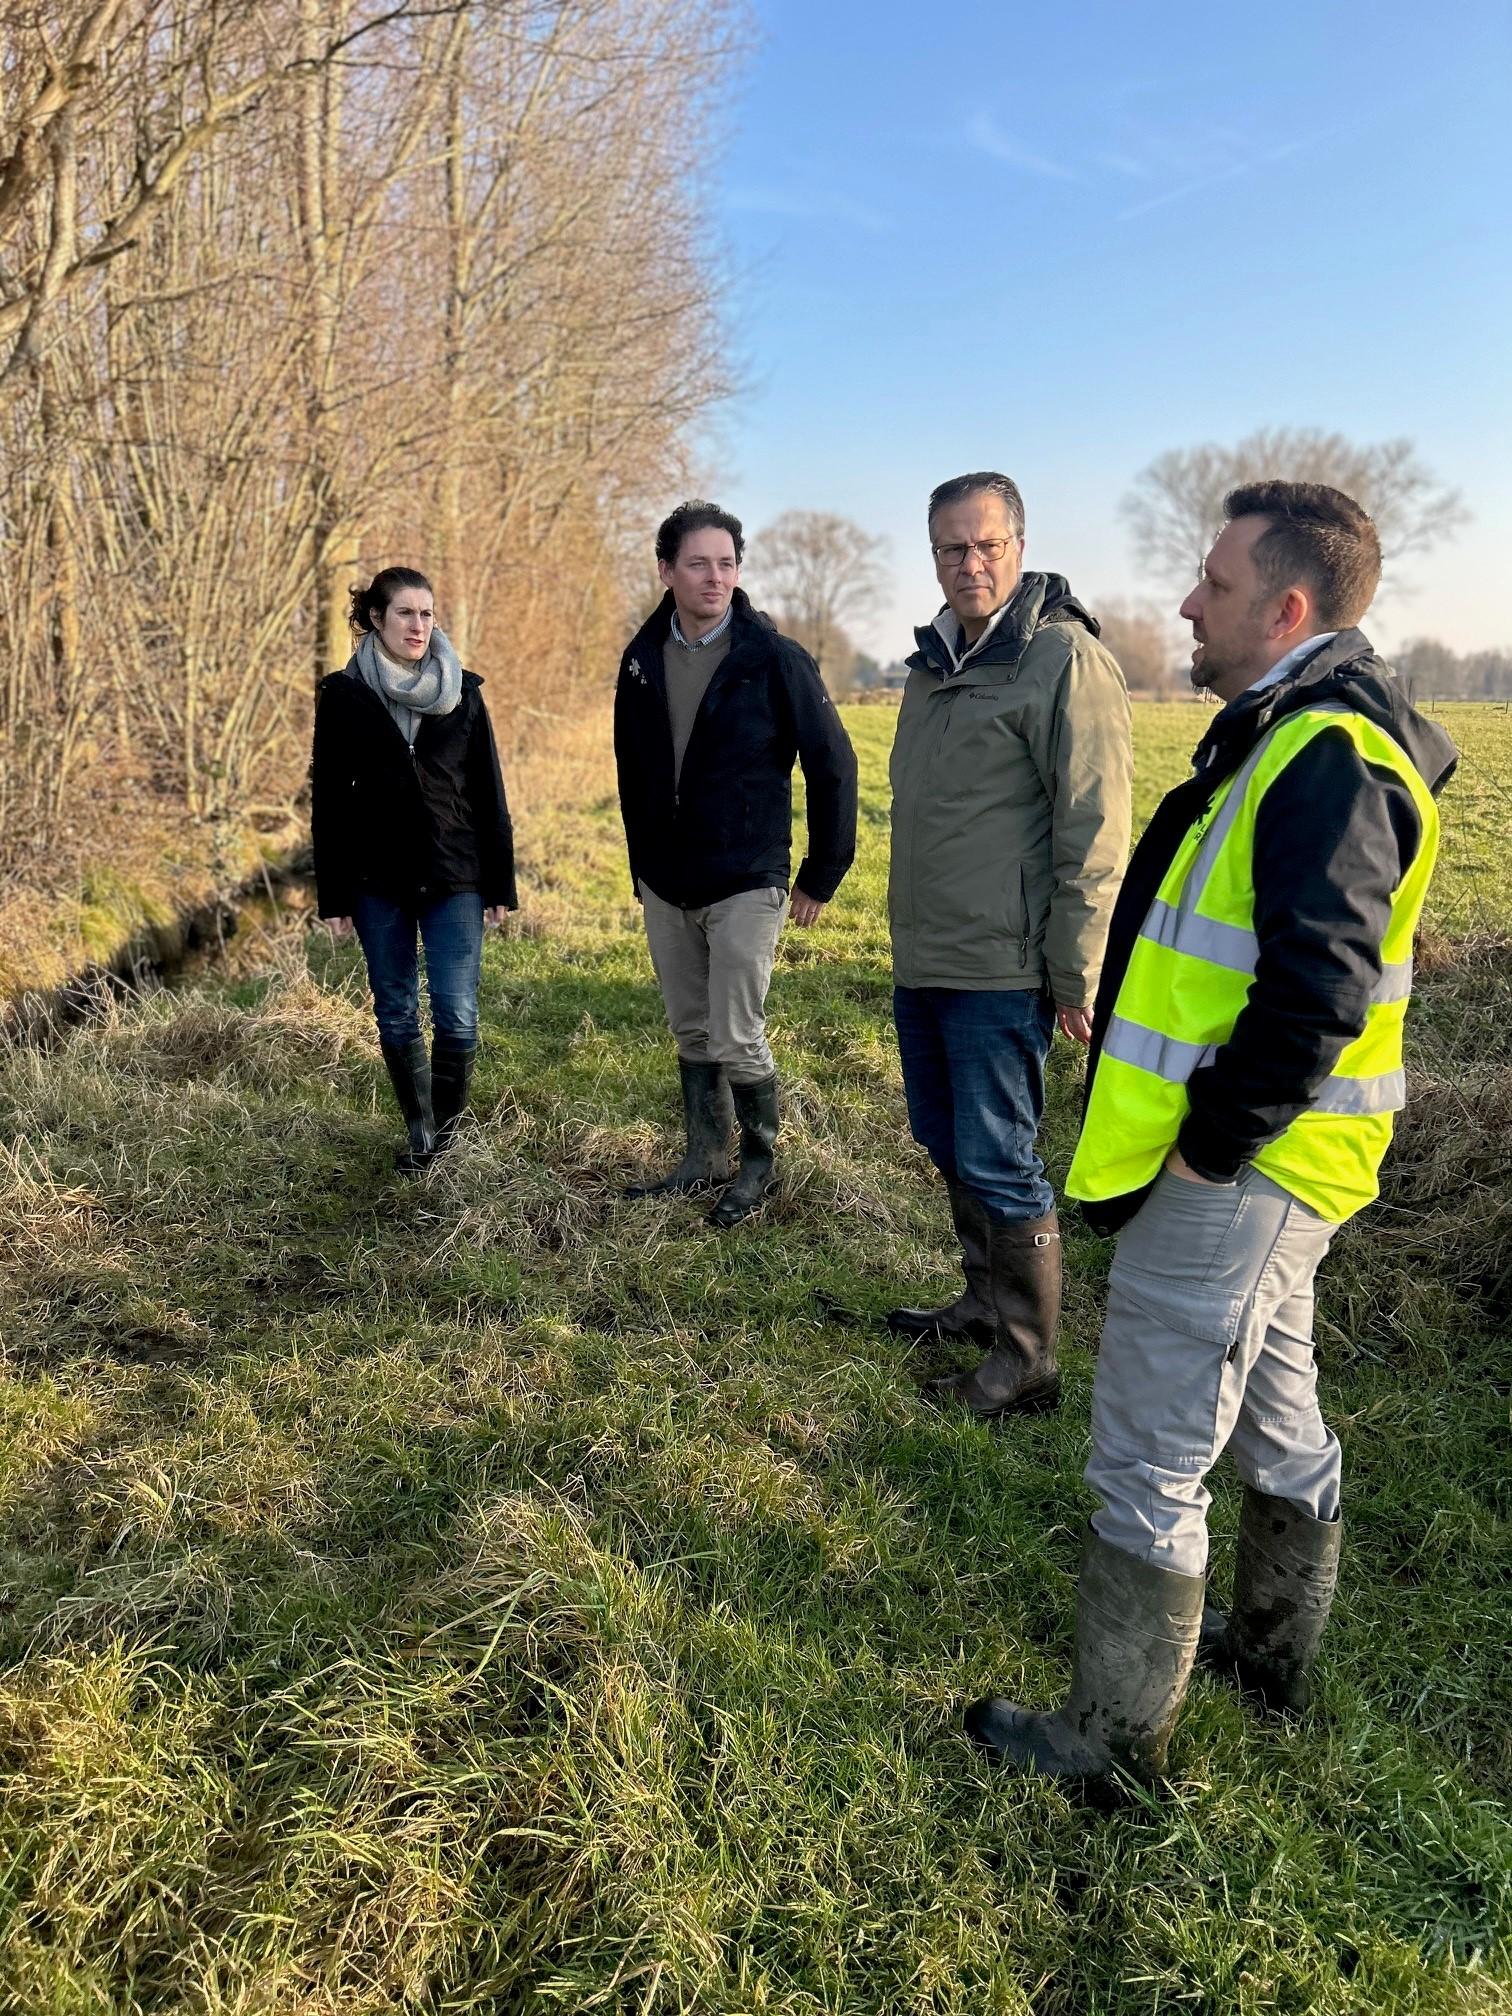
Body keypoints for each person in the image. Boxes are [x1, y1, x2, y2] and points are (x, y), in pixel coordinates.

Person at [968, 481, 1458, 1788]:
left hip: (1249, 1171)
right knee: (1277, 1406)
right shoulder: (1293, 735)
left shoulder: (1330, 759)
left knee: (1148, 1447)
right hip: (1286, 1167)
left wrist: (1207, 1149)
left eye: (1215, 582)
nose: (1188, 600)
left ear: (1288, 607)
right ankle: (1271, 1650)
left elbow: (1318, 991)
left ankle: (1113, 1747)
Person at [887, 471, 1132, 1416]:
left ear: (1019, 548)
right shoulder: (929, 665)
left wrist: (1076, 971)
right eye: (953, 546)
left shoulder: (1062, 660)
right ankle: (984, 1302)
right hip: (929, 956)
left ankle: (1029, 1362)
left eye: (987, 544)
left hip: (1004, 966)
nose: (970, 562)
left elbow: (1094, 826)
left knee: (1000, 1155)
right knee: (943, 1137)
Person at [614, 500, 858, 1227]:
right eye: (698, 563)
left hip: (748, 875)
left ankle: (757, 1166)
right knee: (690, 1029)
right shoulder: (641, 658)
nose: (715, 576)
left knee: (735, 1030)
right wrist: (640, 867)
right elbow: (633, 769)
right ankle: (702, 1159)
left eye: (726, 563)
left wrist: (822, 871)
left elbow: (833, 765)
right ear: (667, 570)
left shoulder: (774, 659)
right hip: (665, 878)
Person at [311, 567, 516, 1173]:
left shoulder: (465, 692)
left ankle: (449, 1137)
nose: (419, 625)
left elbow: (490, 793)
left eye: (427, 614)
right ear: (377, 618)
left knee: (457, 1011)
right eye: (405, 613)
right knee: (395, 1008)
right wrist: (334, 895)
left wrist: (500, 883)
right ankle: (421, 1133)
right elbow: (328, 801)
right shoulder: (343, 696)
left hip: (457, 873)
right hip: (377, 880)